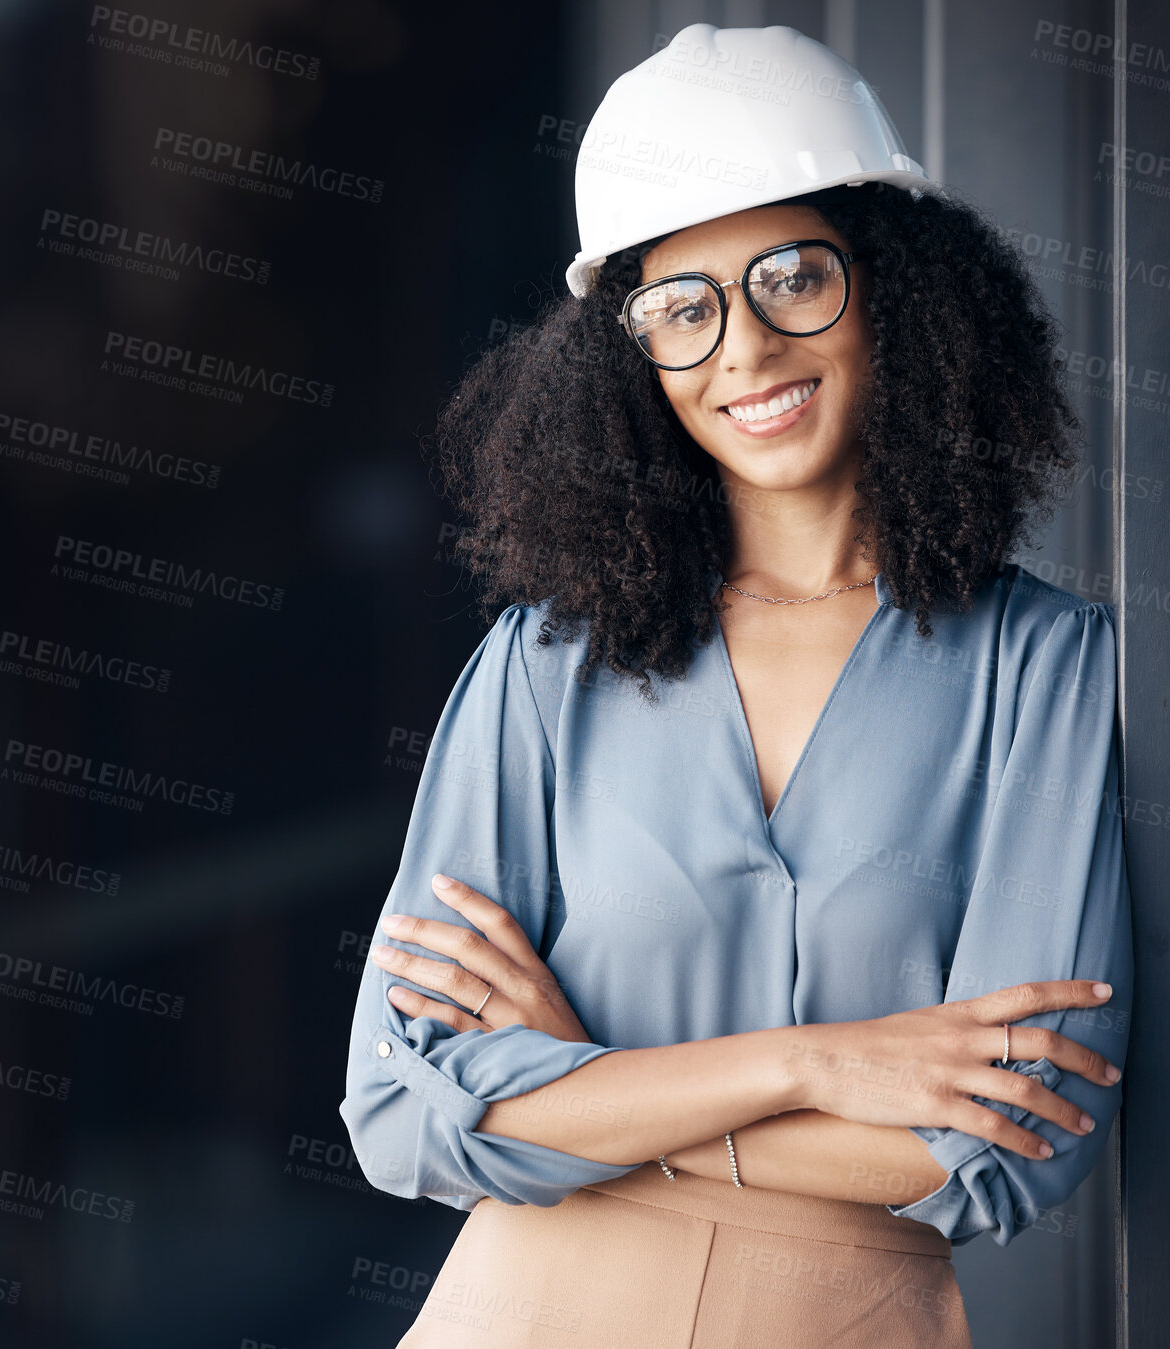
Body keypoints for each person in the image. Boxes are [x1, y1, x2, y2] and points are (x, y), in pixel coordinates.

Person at [338, 23, 1132, 1347]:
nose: (745, 349)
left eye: (790, 278)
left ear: (895, 289)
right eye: (681, 309)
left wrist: (583, 1083)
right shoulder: (540, 671)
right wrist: (813, 1061)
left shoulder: (1043, 671)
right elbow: (403, 1110)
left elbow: (1003, 1147)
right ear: (627, 356)